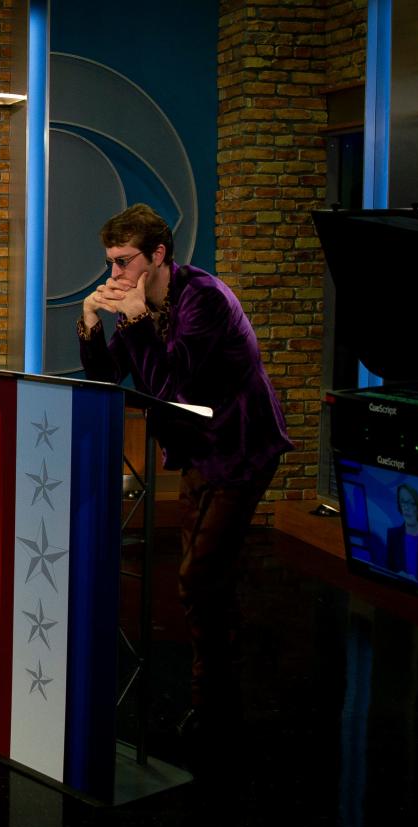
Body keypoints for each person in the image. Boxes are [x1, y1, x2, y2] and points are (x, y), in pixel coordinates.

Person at [78, 203, 292, 747]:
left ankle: (214, 700)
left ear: (158, 256)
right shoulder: (140, 299)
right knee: (202, 575)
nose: (114, 274)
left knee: (200, 575)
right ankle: (219, 688)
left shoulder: (205, 299)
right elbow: (110, 378)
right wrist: (89, 325)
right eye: (110, 262)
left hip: (241, 445)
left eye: (125, 261)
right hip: (199, 448)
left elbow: (173, 389)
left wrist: (132, 319)